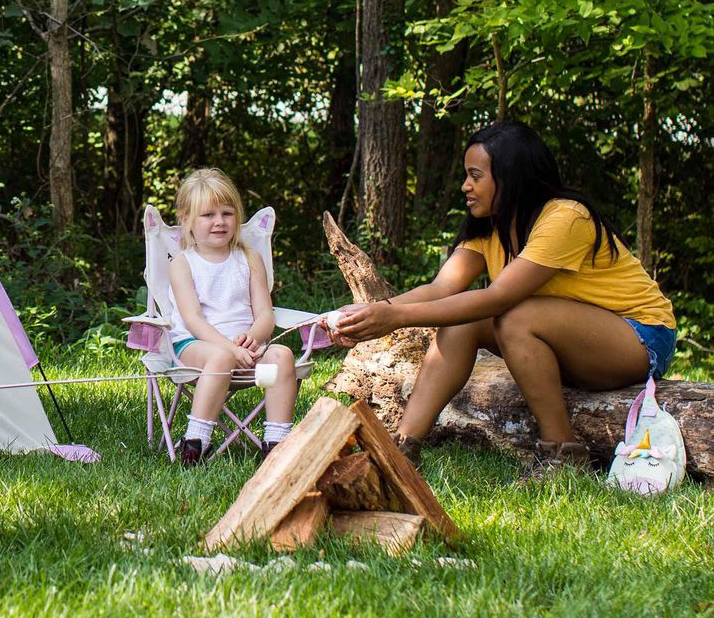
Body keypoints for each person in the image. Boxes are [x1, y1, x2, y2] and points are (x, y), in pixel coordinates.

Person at [330, 120, 677, 472]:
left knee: (515, 316)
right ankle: (401, 448)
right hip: (576, 345)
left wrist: (395, 320)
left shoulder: (565, 217)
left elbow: (498, 298)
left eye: (476, 176)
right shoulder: (490, 228)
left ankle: (563, 455)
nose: (466, 186)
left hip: (639, 338)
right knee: (465, 322)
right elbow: (440, 289)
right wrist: (373, 311)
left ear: (511, 176)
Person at [165, 168, 297, 466]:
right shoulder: (183, 264)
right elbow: (193, 319)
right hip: (195, 346)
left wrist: (254, 337)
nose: (219, 222)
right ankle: (195, 442)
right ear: (185, 220)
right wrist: (229, 348)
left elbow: (265, 312)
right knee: (220, 358)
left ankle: (277, 444)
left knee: (283, 356)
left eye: (227, 213)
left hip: (246, 350)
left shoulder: (249, 258)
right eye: (207, 215)